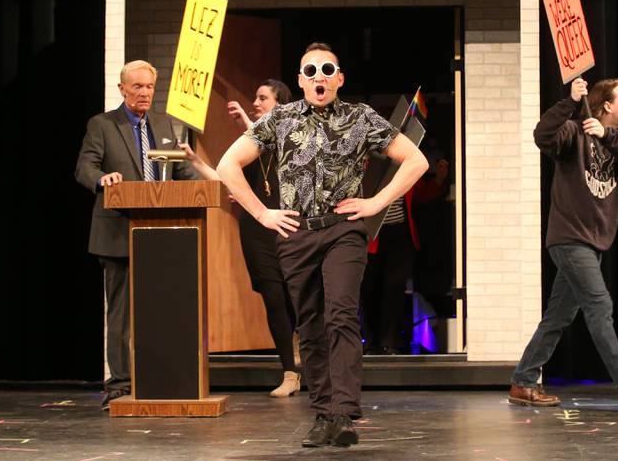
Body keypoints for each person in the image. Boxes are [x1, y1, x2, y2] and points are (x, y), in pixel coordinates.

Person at [216, 42, 428, 448]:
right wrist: (263, 213)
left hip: (343, 230)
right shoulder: (280, 119)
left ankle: (343, 413)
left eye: (327, 70)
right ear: (300, 80)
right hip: (296, 234)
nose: (319, 77)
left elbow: (414, 160)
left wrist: (376, 202)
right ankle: (322, 412)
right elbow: (228, 164)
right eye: (310, 71)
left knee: (342, 314)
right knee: (310, 325)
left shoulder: (360, 118)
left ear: (339, 78)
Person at [509, 77, 618, 411]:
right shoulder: (572, 133)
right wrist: (569, 102)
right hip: (570, 239)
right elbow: (543, 135)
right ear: (607, 105)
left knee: (558, 318)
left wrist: (604, 134)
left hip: (593, 243)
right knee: (599, 305)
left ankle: (522, 382)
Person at [75, 60, 199, 410]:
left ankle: (160, 378)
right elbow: (85, 166)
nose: (144, 93)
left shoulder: (163, 124)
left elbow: (181, 171)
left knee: (162, 309)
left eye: (149, 87)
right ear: (122, 90)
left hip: (163, 237)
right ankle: (119, 383)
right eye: (137, 87)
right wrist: (103, 179)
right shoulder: (102, 125)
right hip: (117, 232)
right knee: (121, 313)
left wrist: (211, 188)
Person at [181, 79, 302, 398]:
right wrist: (195, 160)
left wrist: (248, 123)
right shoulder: (246, 147)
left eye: (263, 98)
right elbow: (226, 180)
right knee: (274, 299)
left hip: (291, 227)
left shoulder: (295, 137)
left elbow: (273, 142)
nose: (255, 102)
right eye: (255, 97)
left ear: (280, 105)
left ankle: (307, 357)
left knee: (296, 298)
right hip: (255, 231)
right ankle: (290, 372)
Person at [361, 158, 449, 354]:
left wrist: (439, 180)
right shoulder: (365, 164)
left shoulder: (404, 165)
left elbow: (420, 193)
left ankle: (389, 342)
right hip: (371, 237)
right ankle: (371, 340)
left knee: (394, 288)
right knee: (370, 289)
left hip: (400, 234)